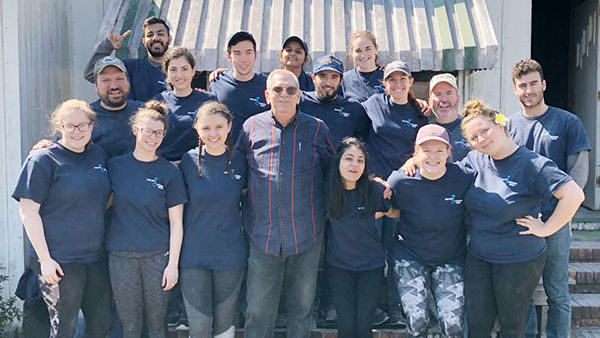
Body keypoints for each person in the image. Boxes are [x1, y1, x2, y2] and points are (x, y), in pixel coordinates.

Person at [459, 99, 584, 337]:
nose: (481, 140)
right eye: (474, 138)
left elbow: (573, 194)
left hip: (518, 260)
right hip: (479, 257)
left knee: (512, 329)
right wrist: (413, 163)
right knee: (477, 326)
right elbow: (447, 175)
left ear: (501, 125)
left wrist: (547, 228)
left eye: (484, 131)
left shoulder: (532, 164)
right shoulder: (476, 161)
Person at [236, 69, 333, 337]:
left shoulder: (317, 129)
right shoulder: (250, 127)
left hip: (307, 235)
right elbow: (238, 174)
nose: (284, 95)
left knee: (301, 311)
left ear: (299, 96)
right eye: (277, 90)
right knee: (257, 312)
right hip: (262, 235)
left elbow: (333, 174)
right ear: (267, 95)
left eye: (291, 90)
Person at [13, 99, 112, 337]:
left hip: (95, 258)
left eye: (83, 125)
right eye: (70, 126)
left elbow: (106, 198)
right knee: (63, 328)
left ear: (92, 126)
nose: (77, 131)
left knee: (101, 324)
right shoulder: (42, 159)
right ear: (60, 126)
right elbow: (28, 211)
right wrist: (45, 260)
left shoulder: (99, 155)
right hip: (59, 262)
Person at [507, 59, 591, 338]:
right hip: (523, 222)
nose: (528, 90)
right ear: (515, 90)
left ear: (543, 85)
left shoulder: (568, 122)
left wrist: (559, 218)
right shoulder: (509, 126)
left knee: (557, 292)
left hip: (556, 223)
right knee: (524, 293)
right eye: (522, 86)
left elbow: (578, 176)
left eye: (533, 84)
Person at [106, 101, 187, 337]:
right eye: (148, 131)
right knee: (129, 324)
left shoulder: (170, 172)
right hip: (121, 256)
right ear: (135, 130)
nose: (153, 137)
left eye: (159, 133)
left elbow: (177, 223)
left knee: (157, 324)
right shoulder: (115, 166)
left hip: (158, 257)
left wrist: (172, 265)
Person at [389, 125, 472, 337]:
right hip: (410, 256)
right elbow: (384, 204)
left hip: (450, 258)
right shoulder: (401, 180)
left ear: (448, 152)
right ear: (416, 153)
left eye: (439, 150)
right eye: (426, 150)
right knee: (417, 323)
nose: (433, 156)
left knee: (452, 325)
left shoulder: (463, 177)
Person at [178, 101, 246, 338]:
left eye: (219, 127)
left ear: (229, 126)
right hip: (193, 258)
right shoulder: (187, 162)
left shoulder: (242, 161)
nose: (213, 134)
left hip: (230, 256)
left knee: (225, 326)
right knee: (199, 329)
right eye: (206, 128)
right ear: (196, 128)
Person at [325, 137, 397, 338]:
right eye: (349, 159)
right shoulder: (327, 190)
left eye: (360, 160)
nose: (354, 165)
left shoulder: (374, 189)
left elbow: (393, 212)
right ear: (338, 161)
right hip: (339, 267)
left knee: (364, 327)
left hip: (370, 267)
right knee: (346, 327)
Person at [84, 17, 171, 102]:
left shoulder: (178, 70)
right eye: (150, 35)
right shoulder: (129, 67)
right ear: (144, 41)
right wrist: (107, 46)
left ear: (169, 39)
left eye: (160, 34)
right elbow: (91, 73)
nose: (155, 38)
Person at [152, 46, 217, 161]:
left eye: (184, 69)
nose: (179, 75)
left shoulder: (208, 101)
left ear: (193, 70)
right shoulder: (158, 101)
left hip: (198, 168)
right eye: (173, 70)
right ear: (166, 72)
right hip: (167, 168)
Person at [209, 31, 269, 141]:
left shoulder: (267, 84)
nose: (243, 59)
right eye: (237, 53)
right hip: (226, 152)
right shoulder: (217, 82)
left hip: (257, 152)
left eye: (248, 52)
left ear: (255, 55)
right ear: (228, 56)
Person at [299, 55, 370, 145]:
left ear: (341, 81)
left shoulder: (354, 110)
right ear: (313, 78)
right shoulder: (300, 102)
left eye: (334, 77)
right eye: (323, 76)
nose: (328, 83)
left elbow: (363, 146)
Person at [210, 35, 314, 91]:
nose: (293, 54)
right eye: (289, 50)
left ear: (305, 58)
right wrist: (223, 75)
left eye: (298, 51)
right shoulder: (270, 82)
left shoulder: (313, 81)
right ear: (281, 55)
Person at [90, 56, 143, 158]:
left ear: (128, 82)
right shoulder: (85, 117)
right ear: (96, 85)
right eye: (106, 80)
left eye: (119, 78)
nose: (114, 86)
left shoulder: (144, 113)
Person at [428, 73, 470, 161]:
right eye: (438, 94)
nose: (443, 99)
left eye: (449, 93)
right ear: (430, 101)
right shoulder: (425, 131)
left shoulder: (470, 129)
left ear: (458, 98)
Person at [341, 31, 385, 102]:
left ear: (376, 49)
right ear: (352, 52)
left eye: (368, 49)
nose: (363, 55)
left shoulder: (388, 77)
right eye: (358, 51)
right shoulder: (344, 80)